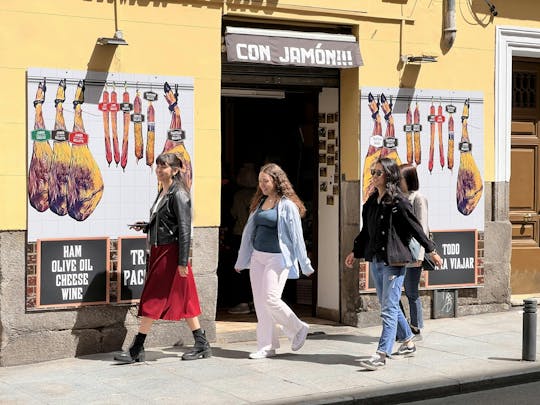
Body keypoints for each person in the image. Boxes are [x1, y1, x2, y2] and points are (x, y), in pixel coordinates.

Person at [344, 157, 442, 371]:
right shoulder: (371, 201)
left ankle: (381, 354)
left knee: (388, 307)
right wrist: (355, 251)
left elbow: (415, 228)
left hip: (395, 260)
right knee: (387, 303)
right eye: (373, 172)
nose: (374, 176)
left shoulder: (398, 202)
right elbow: (366, 231)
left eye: (379, 172)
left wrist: (431, 250)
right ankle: (407, 341)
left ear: (389, 176)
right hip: (377, 259)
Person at [114, 153, 211, 363]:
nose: (159, 170)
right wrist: (148, 226)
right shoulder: (164, 191)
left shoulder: (179, 194)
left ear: (175, 170)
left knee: (152, 297)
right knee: (183, 297)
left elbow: (185, 229)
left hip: (171, 252)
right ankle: (202, 344)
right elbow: (168, 222)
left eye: (164, 167)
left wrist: (183, 261)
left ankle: (137, 348)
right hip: (161, 249)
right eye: (157, 166)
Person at [235, 163, 315, 359]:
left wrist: (305, 264)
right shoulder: (260, 201)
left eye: (266, 181)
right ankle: (267, 346)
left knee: (271, 299)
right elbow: (248, 233)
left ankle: (298, 327)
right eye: (260, 181)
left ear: (276, 181)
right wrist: (241, 260)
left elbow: (297, 237)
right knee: (261, 304)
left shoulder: (287, 205)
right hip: (258, 257)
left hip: (278, 258)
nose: (262, 185)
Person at [399, 164, 429, 340]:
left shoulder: (418, 198)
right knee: (394, 294)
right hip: (398, 252)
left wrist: (420, 255)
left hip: (413, 252)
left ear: (408, 179)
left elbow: (422, 228)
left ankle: (416, 326)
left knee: (411, 291)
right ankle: (402, 326)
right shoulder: (398, 197)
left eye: (400, 178)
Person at [228, 163, 258, 315]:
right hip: (256, 237)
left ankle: (242, 302)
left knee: (239, 269)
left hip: (240, 234)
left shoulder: (238, 196)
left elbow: (234, 214)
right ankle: (254, 301)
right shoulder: (259, 196)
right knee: (255, 270)